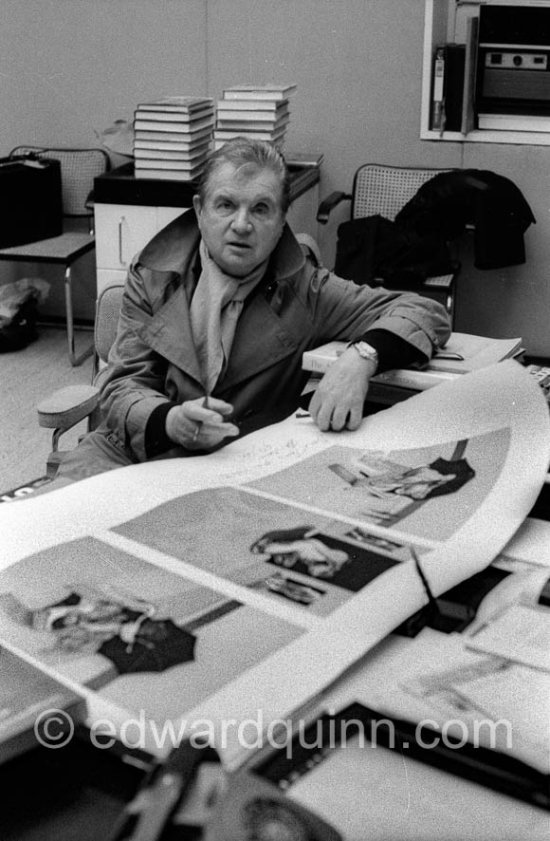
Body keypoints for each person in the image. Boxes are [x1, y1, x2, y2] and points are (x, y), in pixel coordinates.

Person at [56, 137, 451, 483]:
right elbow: (122, 388)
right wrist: (169, 421)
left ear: (281, 221)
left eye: (260, 209)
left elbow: (422, 310)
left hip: (233, 465)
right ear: (199, 210)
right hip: (131, 450)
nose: (241, 225)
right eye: (225, 205)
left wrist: (361, 358)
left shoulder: (307, 289)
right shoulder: (154, 275)